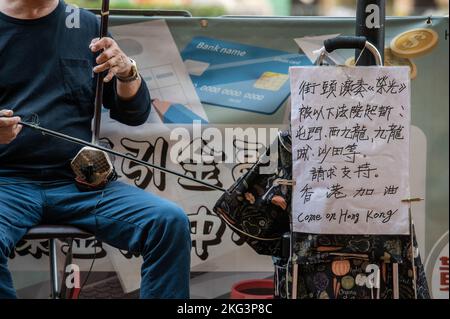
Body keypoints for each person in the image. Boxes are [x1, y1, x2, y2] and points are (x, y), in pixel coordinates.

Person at [0, 0, 191, 299]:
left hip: (80, 182)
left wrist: (127, 73)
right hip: (7, 183)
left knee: (167, 222)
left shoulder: (88, 25)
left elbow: (134, 113)